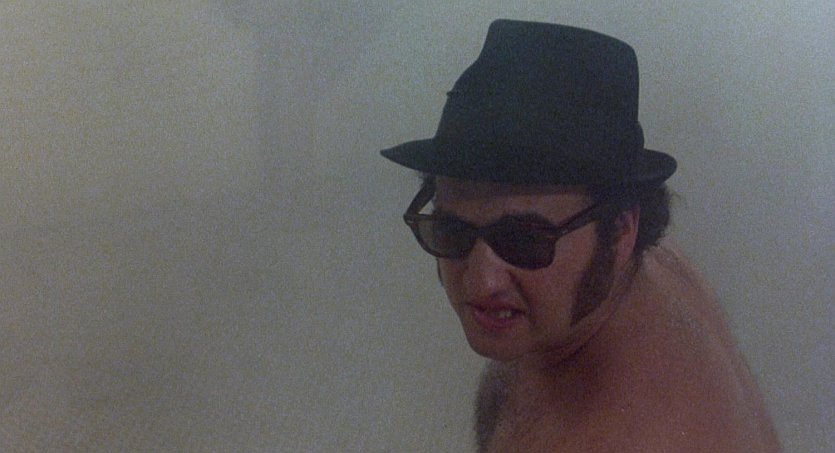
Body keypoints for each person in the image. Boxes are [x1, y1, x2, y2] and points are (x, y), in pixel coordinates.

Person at [380, 20, 781, 452]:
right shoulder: (650, 271)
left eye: (525, 240)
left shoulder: (615, 437)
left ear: (621, 230)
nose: (480, 282)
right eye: (451, 230)